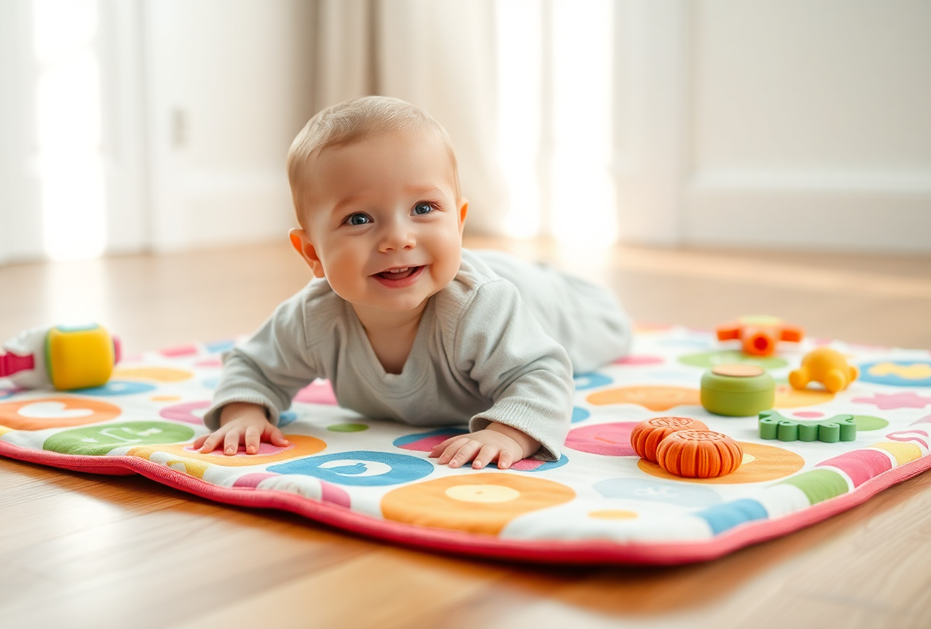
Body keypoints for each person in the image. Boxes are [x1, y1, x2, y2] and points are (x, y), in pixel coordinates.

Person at [193, 96, 632, 470]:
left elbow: (541, 372)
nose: (399, 239)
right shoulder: (315, 316)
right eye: (359, 219)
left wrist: (510, 433)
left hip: (539, 298)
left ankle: (549, 274)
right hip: (479, 274)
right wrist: (243, 413)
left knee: (604, 330)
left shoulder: (480, 306)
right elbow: (253, 365)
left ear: (458, 223)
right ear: (312, 253)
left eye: (423, 208)